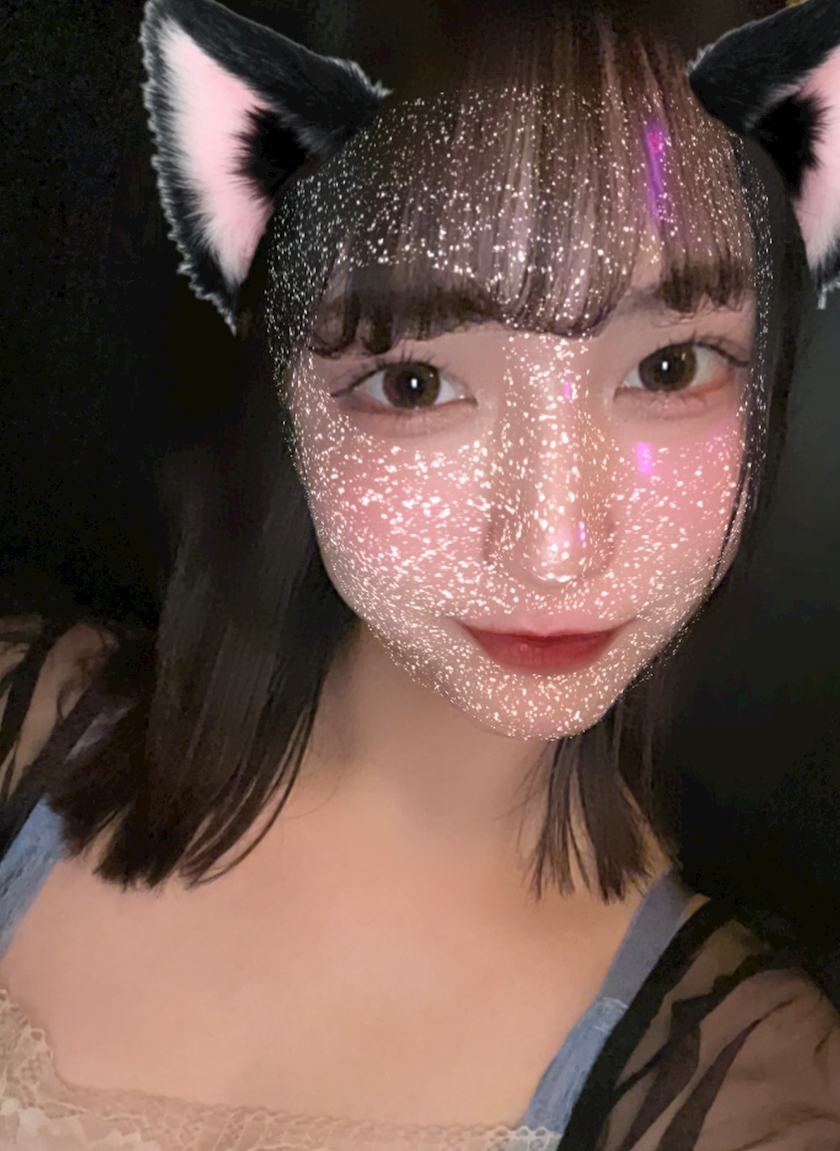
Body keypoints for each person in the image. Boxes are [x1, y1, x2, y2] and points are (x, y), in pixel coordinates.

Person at [0, 0, 839, 1147]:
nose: (555, 546)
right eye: (416, 384)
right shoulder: (17, 728)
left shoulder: (744, 1091)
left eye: (669, 366)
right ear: (285, 392)